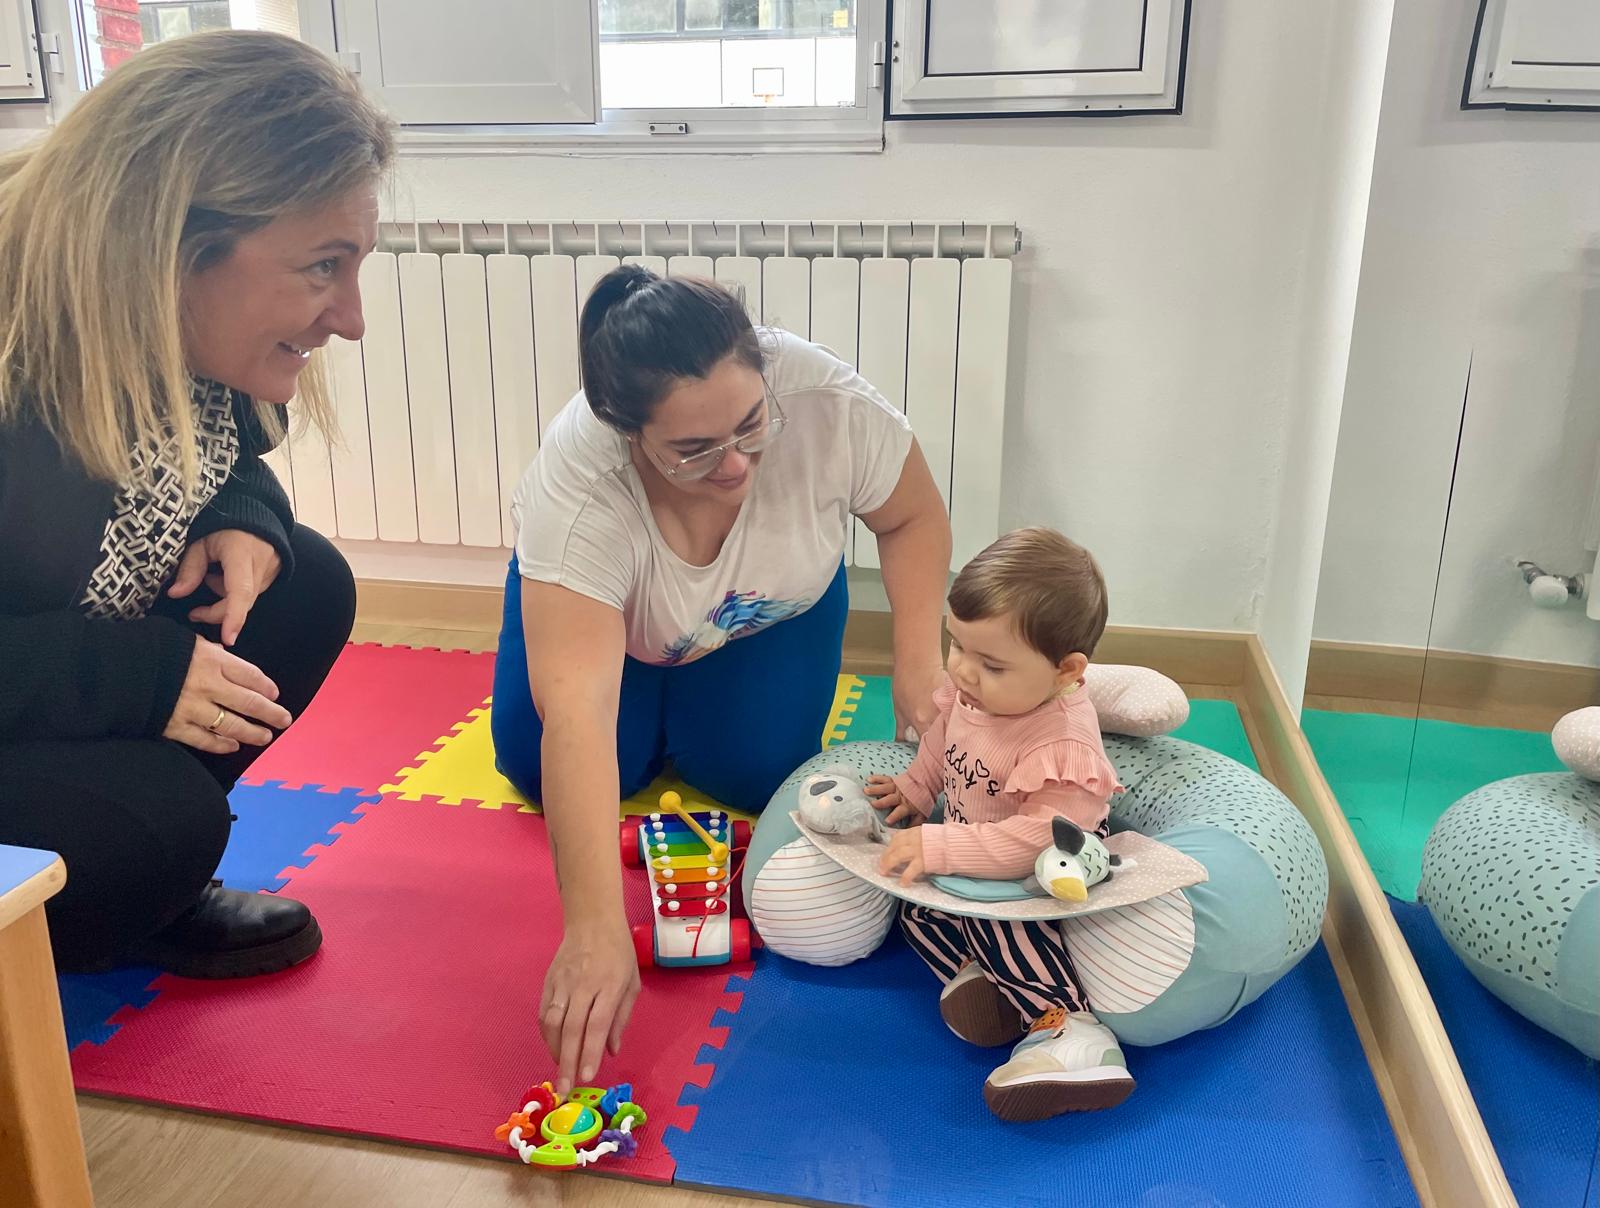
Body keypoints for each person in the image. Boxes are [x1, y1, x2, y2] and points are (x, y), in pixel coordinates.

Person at [492, 265, 953, 1091]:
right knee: (545, 768)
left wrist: (918, 663)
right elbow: (579, 710)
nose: (736, 464)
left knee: (756, 776)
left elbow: (912, 515)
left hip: (767, 612)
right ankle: (661, 706)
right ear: (631, 434)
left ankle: (696, 710)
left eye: (749, 426)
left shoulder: (826, 402)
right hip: (616, 632)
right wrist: (594, 927)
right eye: (694, 450)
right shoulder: (581, 484)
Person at [0, 31, 394, 977]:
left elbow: (225, 457)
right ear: (174, 247)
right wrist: (139, 676)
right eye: (322, 267)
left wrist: (243, 517)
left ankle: (143, 879)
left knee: (303, 582)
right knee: (161, 824)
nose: (351, 319)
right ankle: (114, 878)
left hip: (41, 684)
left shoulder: (173, 334)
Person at [867, 527, 1136, 1120]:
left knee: (1005, 925)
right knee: (918, 914)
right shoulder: (977, 694)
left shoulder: (1060, 741)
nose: (963, 672)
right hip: (976, 858)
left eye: (990, 663)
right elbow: (944, 742)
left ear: (1066, 671)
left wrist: (941, 845)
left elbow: (1037, 840)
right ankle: (991, 988)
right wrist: (917, 788)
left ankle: (1072, 1031)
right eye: (956, 644)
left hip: (1044, 871)